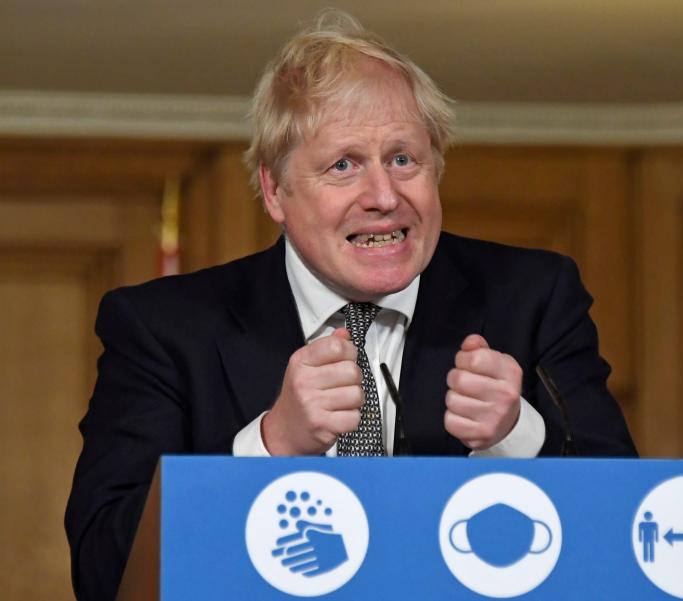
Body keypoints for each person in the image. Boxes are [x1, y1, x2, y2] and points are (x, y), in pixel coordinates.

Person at [64, 10, 636, 600]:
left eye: (403, 159)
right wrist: (270, 445)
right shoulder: (162, 328)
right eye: (344, 166)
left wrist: (518, 435)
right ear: (274, 190)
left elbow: (629, 537)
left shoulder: (533, 296)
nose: (385, 197)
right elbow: (105, 570)